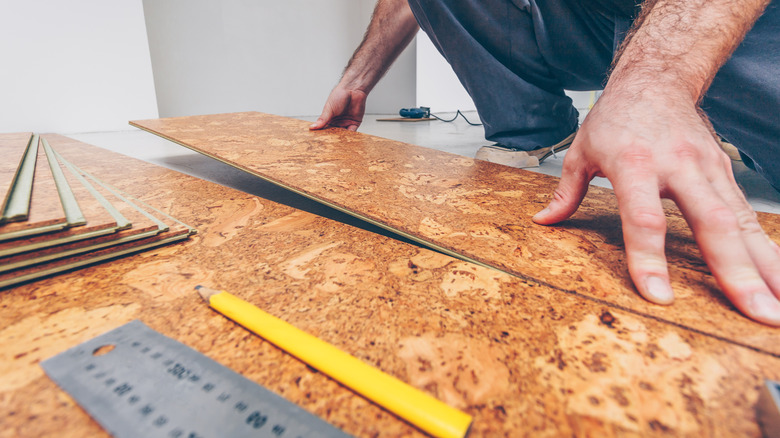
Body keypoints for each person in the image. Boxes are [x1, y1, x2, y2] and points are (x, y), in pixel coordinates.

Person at [310, 0, 780, 326]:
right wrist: (358, 79)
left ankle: (707, 118)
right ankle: (532, 126)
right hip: (599, 20)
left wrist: (655, 82)